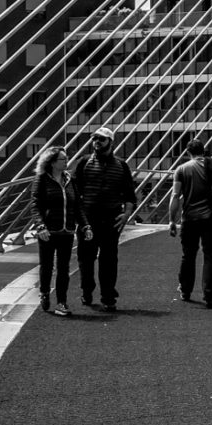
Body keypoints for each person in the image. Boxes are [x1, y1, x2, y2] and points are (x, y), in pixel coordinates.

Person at [66, 127, 138, 312]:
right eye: (94, 138)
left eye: (101, 139)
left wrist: (126, 214)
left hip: (111, 219)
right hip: (87, 219)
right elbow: (73, 191)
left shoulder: (121, 165)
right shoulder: (83, 163)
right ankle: (87, 291)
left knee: (109, 259)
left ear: (110, 142)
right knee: (85, 258)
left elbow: (130, 194)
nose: (96, 142)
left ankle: (108, 297)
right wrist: (76, 216)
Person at [170, 139, 212, 307]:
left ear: (188, 152)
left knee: (188, 255)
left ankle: (186, 291)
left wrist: (172, 220)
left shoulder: (182, 169)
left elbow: (175, 196)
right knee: (210, 256)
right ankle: (209, 296)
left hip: (190, 219)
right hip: (211, 218)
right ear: (204, 151)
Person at [32, 147, 74, 318]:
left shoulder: (69, 179)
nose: (66, 162)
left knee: (64, 268)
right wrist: (40, 226)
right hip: (48, 231)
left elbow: (76, 204)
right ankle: (44, 293)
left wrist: (84, 225)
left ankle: (62, 302)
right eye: (63, 159)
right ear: (52, 162)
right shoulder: (41, 179)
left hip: (67, 231)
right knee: (47, 266)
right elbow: (35, 205)